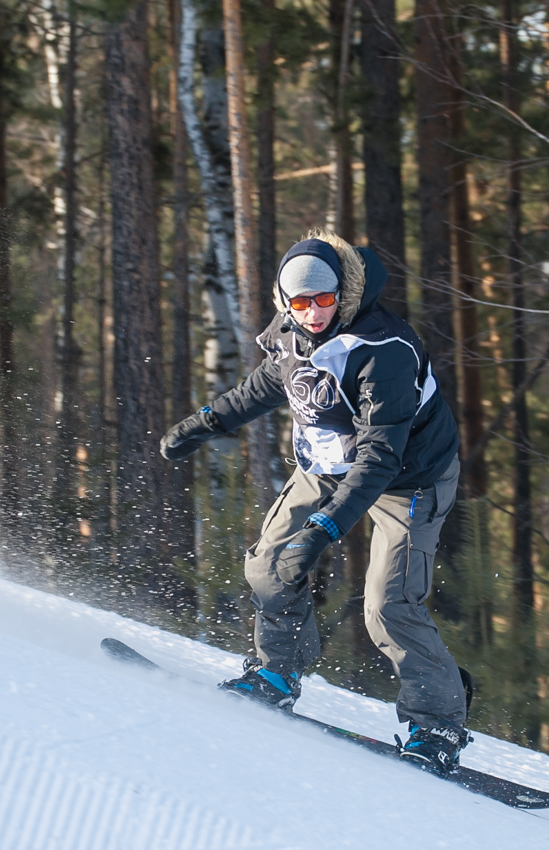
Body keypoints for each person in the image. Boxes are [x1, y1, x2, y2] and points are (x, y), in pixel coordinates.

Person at [160, 229, 469, 775]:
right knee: (268, 566)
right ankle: (278, 673)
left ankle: (438, 725)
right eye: (300, 303)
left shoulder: (383, 350)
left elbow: (380, 457)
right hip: (326, 462)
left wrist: (324, 529)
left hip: (409, 478)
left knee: (388, 604)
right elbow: (268, 383)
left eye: (324, 299)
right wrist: (206, 422)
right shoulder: (290, 332)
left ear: (341, 294)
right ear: (285, 302)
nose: (313, 312)